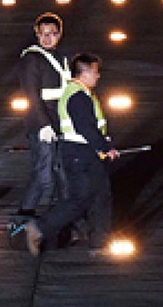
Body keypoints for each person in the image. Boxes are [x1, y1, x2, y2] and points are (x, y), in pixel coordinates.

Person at [25, 52, 119, 257]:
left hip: (83, 152)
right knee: (80, 198)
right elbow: (85, 127)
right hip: (80, 153)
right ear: (84, 73)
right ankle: (40, 228)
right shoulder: (78, 96)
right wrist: (104, 148)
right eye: (95, 72)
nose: (98, 76)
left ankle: (99, 242)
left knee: (100, 196)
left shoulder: (80, 93)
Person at [16, 12, 70, 218]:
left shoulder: (62, 58)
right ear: (37, 34)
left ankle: (64, 214)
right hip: (42, 125)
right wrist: (43, 125)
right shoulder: (31, 59)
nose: (48, 38)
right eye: (43, 34)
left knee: (63, 172)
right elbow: (31, 95)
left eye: (52, 34)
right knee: (43, 174)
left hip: (61, 122)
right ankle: (25, 213)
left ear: (59, 34)